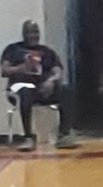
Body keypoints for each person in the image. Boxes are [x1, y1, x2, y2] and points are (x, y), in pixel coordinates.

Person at [2, 20, 79, 151]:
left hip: (42, 88)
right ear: (24, 34)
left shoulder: (47, 52)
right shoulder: (13, 49)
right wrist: (22, 68)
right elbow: (4, 71)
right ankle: (28, 137)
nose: (33, 35)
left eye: (36, 32)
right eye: (30, 32)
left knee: (66, 90)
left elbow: (58, 71)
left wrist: (51, 81)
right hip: (19, 89)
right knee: (26, 91)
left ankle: (64, 134)